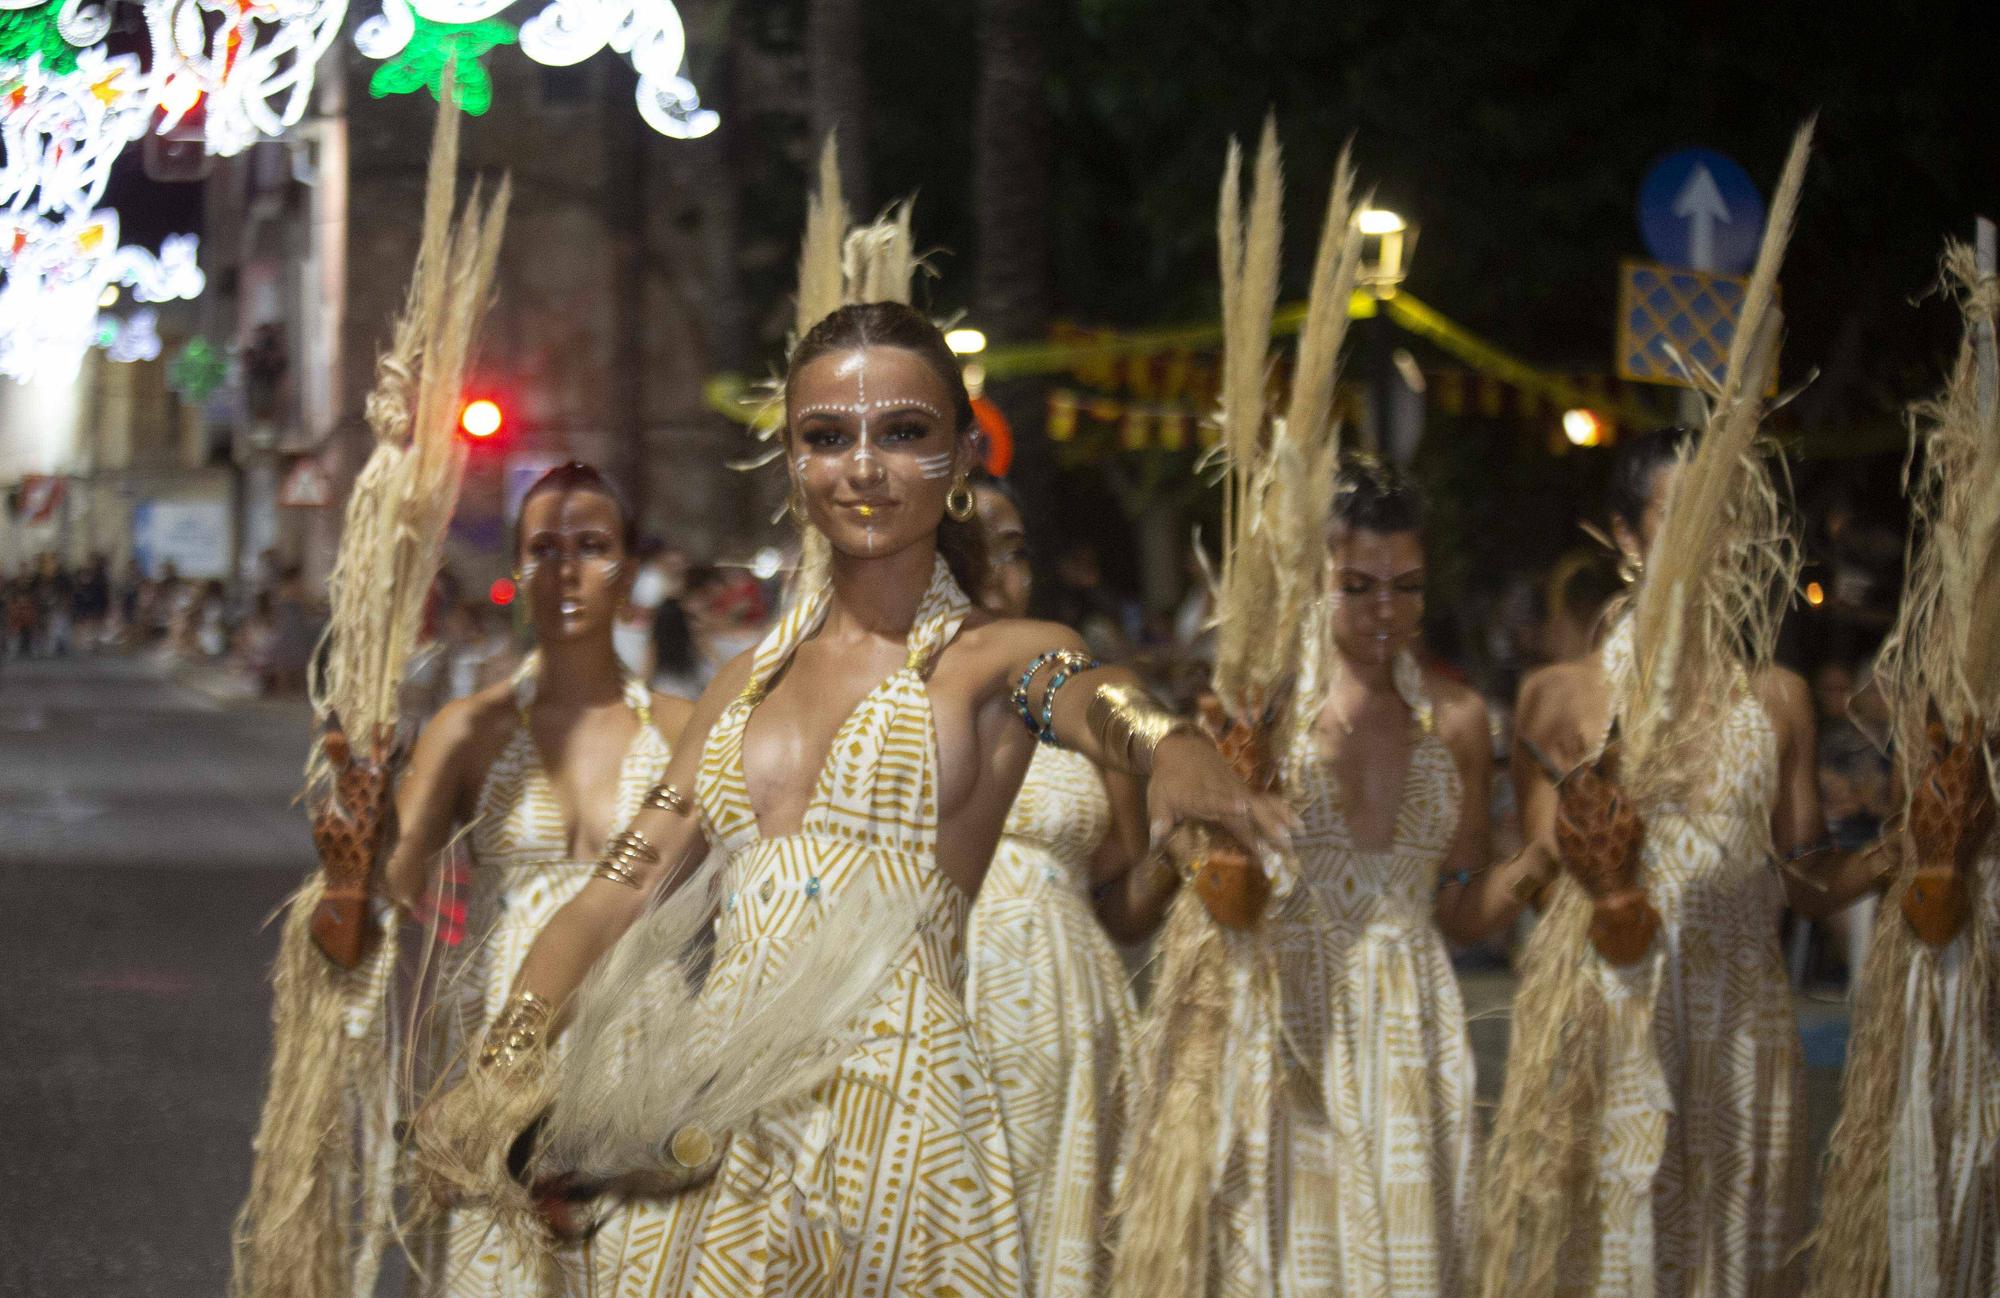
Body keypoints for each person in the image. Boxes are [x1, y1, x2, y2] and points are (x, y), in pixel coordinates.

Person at [419, 301, 1289, 1296]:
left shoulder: (992, 658)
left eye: (903, 433)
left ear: (960, 453)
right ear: (791, 459)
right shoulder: (738, 685)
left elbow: (1083, 692)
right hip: (724, 1120)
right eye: (826, 437)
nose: (862, 466)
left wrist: (1167, 742)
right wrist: (511, 1047)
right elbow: (616, 889)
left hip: (902, 1120)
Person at [1487, 427, 1893, 1297]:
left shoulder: (1777, 699)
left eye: (1729, 518)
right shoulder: (1560, 697)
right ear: (1628, 538)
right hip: (1613, 1017)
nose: (1711, 540)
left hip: (1739, 1029)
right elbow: (1541, 876)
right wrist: (1577, 864)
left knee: (1731, 1263)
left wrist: (1902, 854)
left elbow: (1805, 875)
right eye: (1684, 516)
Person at [1213, 458, 1557, 1295]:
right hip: (1294, 1014)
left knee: (1410, 1261)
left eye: (1407, 586)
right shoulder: (1266, 713)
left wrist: (1549, 857)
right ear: (1315, 581)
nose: (1384, 610)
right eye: (1358, 585)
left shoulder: (1462, 720)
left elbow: (1465, 914)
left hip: (1412, 1022)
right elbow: (1217, 889)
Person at [384, 462, 694, 1295]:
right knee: (501, 1273)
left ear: (628, 568)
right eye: (543, 548)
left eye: (592, 547)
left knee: (636, 1268)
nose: (565, 570)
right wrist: (368, 811)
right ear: (517, 568)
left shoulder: (683, 727)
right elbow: (393, 883)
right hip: (503, 1041)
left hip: (641, 1036)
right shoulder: (470, 727)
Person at [962, 476, 1153, 1298]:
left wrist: (1184, 849)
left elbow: (1126, 907)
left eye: (1015, 551)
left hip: (1073, 1015)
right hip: (953, 1006)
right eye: (976, 554)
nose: (1003, 576)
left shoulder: (1088, 693)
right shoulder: (902, 697)